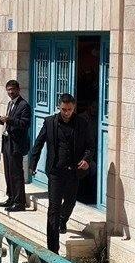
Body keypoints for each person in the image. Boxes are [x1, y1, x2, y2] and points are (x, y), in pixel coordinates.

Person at [29, 93, 95, 254]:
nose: (66, 113)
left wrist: (86, 159)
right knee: (53, 208)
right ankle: (53, 250)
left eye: (69, 109)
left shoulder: (82, 123)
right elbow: (38, 144)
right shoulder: (49, 122)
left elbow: (90, 146)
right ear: (59, 107)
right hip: (55, 172)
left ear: (74, 108)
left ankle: (62, 220)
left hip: (73, 171)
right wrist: (32, 164)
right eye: (64, 109)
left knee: (70, 202)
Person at [0, 80, 31, 212]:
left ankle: (19, 202)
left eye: (13, 89)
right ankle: (11, 197)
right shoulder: (10, 103)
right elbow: (8, 123)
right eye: (8, 89)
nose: (11, 92)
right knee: (8, 172)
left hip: (16, 144)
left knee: (16, 173)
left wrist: (9, 120)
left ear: (18, 90)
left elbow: (25, 124)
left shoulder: (24, 105)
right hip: (7, 142)